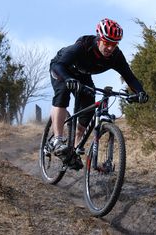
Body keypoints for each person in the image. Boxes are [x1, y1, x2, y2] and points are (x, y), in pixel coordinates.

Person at [49, 18, 148, 169]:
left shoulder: (116, 56)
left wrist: (140, 92)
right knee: (63, 93)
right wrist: (68, 78)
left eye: (114, 44)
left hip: (83, 75)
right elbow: (58, 65)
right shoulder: (82, 46)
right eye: (107, 43)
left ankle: (75, 148)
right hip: (63, 68)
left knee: (89, 106)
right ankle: (57, 140)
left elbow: (130, 77)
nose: (110, 48)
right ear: (99, 38)